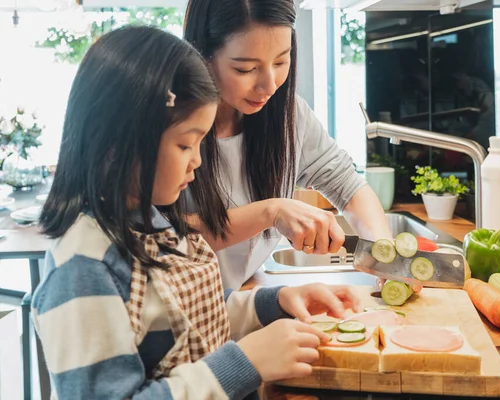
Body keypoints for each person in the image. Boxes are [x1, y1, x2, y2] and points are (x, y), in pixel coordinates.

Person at [33, 25, 361, 399]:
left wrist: (275, 303)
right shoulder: (83, 269)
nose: (197, 162)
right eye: (186, 145)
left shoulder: (151, 220)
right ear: (121, 142)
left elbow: (192, 314)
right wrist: (245, 362)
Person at [183, 0, 393, 290]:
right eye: (245, 69)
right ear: (202, 54)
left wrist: (385, 257)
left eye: (281, 61)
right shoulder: (168, 121)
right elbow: (161, 234)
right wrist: (271, 212)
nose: (269, 85)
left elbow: (348, 186)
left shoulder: (287, 115)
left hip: (238, 302)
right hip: (176, 311)